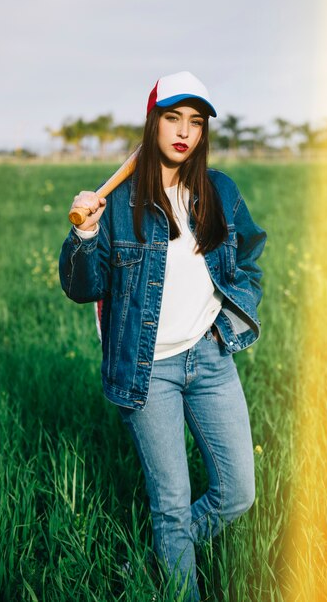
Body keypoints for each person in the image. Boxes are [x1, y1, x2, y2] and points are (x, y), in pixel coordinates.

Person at [59, 70, 267, 601]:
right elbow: (84, 288)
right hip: (146, 372)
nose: (184, 132)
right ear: (153, 124)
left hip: (211, 359)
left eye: (195, 122)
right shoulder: (120, 204)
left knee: (238, 492)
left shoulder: (218, 189)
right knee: (171, 506)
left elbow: (248, 257)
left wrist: (227, 322)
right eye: (173, 118)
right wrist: (84, 233)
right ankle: (175, 570)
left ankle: (164, 553)